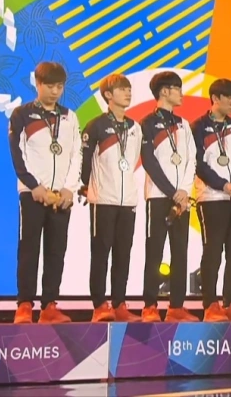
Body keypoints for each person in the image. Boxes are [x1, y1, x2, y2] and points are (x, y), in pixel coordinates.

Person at [9, 62, 80, 324]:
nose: (55, 91)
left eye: (59, 86)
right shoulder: (22, 114)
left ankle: (49, 305)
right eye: (50, 86)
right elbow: (18, 154)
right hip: (32, 194)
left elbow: (76, 154)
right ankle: (24, 305)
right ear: (37, 84)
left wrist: (69, 188)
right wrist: (35, 186)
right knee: (29, 249)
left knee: (56, 251)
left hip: (61, 197)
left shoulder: (69, 116)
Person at [80, 74, 143, 323]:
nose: (128, 93)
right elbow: (85, 161)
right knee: (100, 253)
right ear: (108, 95)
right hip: (103, 199)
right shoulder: (95, 125)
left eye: (129, 89)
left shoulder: (135, 127)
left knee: (123, 254)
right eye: (122, 89)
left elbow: (133, 159)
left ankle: (119, 303)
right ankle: (99, 305)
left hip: (127, 201)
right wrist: (88, 186)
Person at [191, 79, 231, 322]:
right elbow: (198, 165)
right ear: (215, 98)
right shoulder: (197, 127)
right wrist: (223, 185)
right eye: (230, 98)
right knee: (213, 252)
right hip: (212, 198)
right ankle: (210, 305)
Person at [139, 72, 198, 323]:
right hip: (158, 196)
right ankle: (150, 306)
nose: (181, 93)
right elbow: (149, 162)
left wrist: (184, 190)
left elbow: (191, 159)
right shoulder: (147, 123)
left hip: (182, 198)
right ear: (164, 91)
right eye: (177, 89)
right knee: (154, 251)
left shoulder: (184, 124)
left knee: (180, 251)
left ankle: (177, 306)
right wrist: (173, 192)